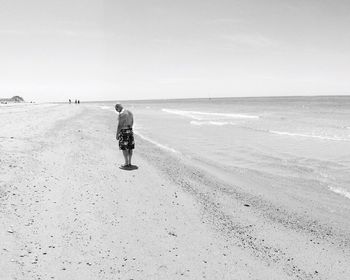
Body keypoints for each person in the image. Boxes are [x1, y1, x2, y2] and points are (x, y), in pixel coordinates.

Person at [115, 103, 135, 168]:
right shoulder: (130, 112)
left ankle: (126, 163)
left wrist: (117, 134)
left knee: (124, 148)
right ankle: (129, 162)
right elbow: (132, 122)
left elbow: (119, 125)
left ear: (118, 107)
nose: (117, 111)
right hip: (130, 130)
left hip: (124, 131)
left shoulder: (121, 114)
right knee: (130, 147)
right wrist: (129, 128)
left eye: (116, 109)